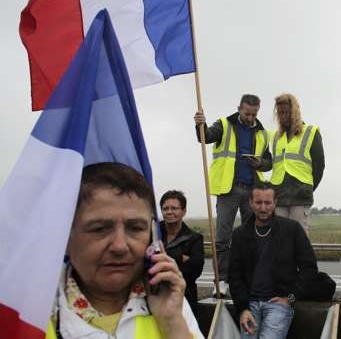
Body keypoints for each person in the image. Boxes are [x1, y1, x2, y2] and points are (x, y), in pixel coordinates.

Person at [50, 162, 203, 339]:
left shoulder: (172, 303)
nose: (120, 246)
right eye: (100, 229)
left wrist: (172, 323)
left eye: (135, 228)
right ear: (66, 236)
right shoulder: (29, 310)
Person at [193, 94, 272, 294]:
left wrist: (259, 163)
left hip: (252, 190)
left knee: (252, 237)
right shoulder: (223, 125)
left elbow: (269, 161)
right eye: (247, 113)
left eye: (254, 114)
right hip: (228, 189)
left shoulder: (262, 133)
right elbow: (205, 138)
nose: (250, 117)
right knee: (222, 238)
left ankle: (249, 279)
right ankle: (222, 281)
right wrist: (199, 125)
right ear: (239, 109)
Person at [228, 182, 319, 339]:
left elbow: (309, 268)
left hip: (278, 303)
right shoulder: (239, 234)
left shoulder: (292, 229)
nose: (263, 208)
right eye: (258, 202)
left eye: (268, 203)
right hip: (249, 304)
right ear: (250, 203)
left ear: (275, 203)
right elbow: (235, 276)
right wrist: (242, 309)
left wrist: (291, 297)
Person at [270, 93, 324, 234]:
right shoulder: (276, 137)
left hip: (300, 194)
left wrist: (308, 187)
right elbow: (275, 164)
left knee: (300, 237)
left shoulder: (311, 132)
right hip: (279, 194)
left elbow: (319, 165)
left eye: (286, 112)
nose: (283, 116)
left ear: (295, 112)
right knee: (279, 237)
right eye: (280, 112)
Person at [159, 190, 204, 319]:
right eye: (165, 208)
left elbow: (194, 271)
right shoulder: (153, 233)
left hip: (185, 299)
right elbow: (145, 260)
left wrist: (161, 258)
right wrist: (179, 256)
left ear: (184, 211)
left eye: (174, 208)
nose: (169, 212)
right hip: (154, 297)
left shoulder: (194, 238)